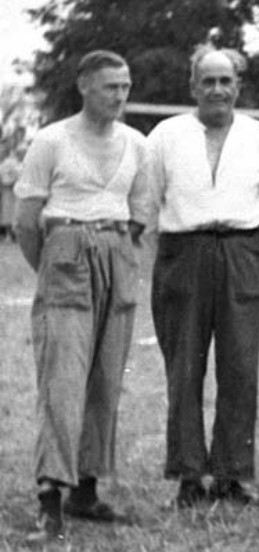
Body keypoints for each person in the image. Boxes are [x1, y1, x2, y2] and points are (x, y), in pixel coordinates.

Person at [13, 50, 151, 542]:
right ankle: (50, 500)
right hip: (65, 252)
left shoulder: (136, 144)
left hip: (116, 253)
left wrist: (112, 253)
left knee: (106, 379)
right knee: (63, 382)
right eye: (111, 86)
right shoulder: (52, 140)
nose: (120, 95)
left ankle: (86, 492)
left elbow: (138, 214)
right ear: (84, 87)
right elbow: (27, 222)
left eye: (126, 86)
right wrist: (54, 266)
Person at [146, 46, 259, 507]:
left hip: (241, 249)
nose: (218, 90)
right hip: (183, 252)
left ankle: (232, 475)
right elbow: (148, 199)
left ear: (238, 86)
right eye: (209, 81)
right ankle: (188, 475)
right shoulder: (165, 135)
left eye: (226, 81)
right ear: (193, 87)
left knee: (240, 365)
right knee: (184, 366)